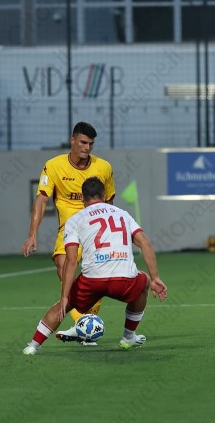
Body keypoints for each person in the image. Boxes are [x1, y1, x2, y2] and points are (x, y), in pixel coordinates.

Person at [22, 177, 167, 355]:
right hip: (124, 279)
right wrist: (155, 278)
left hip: (92, 281)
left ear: (83, 198)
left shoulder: (75, 220)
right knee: (144, 282)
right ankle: (128, 336)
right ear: (104, 195)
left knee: (63, 305)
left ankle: (32, 346)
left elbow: (71, 261)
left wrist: (65, 296)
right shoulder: (123, 214)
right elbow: (145, 244)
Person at [20, 122, 116, 343]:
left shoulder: (104, 167)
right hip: (69, 229)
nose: (87, 148)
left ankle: (85, 323)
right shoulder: (53, 166)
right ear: (72, 140)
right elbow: (41, 200)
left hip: (96, 230)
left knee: (98, 277)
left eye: (91, 144)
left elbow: (109, 201)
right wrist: (32, 234)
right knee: (63, 266)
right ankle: (83, 322)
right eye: (83, 142)